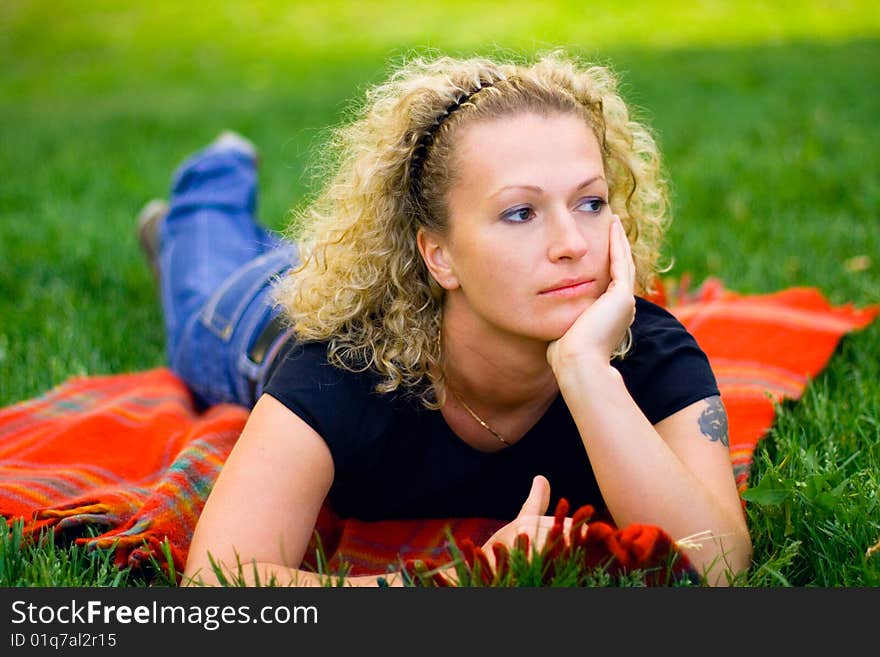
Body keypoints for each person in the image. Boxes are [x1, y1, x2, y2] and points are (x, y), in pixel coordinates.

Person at [139, 50, 752, 587]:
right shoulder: (341, 366)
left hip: (398, 279)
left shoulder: (647, 350)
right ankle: (207, 187)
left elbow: (720, 565)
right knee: (206, 269)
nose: (572, 242)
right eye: (521, 213)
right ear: (439, 253)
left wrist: (587, 373)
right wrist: (460, 584)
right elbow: (220, 581)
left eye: (589, 203)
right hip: (259, 317)